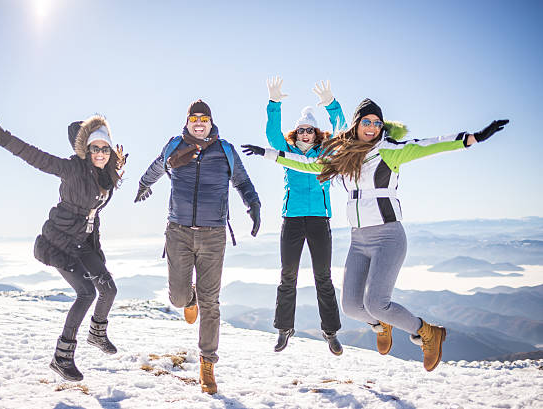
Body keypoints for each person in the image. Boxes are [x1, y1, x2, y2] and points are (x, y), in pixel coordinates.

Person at [242, 99, 508, 371]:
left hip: (388, 236)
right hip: (359, 241)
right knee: (351, 307)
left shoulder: (390, 151)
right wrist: (268, 154)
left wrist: (472, 138)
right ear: (357, 125)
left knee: (376, 303)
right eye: (366, 122)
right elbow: (309, 165)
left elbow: (430, 144)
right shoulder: (343, 155)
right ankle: (382, 327)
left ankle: (427, 333)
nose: (372, 127)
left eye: (377, 123)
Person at [0, 112, 128, 381]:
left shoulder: (105, 173)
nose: (100, 153)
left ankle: (96, 334)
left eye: (104, 148)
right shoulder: (72, 168)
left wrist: (117, 167)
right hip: (61, 242)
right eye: (95, 148)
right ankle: (62, 358)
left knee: (108, 288)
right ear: (86, 149)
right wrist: (4, 139)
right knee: (86, 293)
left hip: (84, 242)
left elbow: (101, 195)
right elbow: (36, 157)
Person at [134, 99, 261, 394]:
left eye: (204, 118)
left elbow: (242, 182)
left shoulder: (225, 150)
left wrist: (253, 204)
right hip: (178, 232)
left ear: (211, 122)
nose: (199, 122)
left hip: (214, 234)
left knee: (211, 302)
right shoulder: (174, 146)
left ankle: (207, 364)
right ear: (188, 121)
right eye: (195, 118)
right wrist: (144, 184)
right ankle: (187, 299)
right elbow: (156, 167)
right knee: (178, 298)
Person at [265, 77, 346, 355]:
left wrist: (331, 105)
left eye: (309, 130)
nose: (305, 134)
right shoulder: (286, 152)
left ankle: (331, 331)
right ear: (296, 133)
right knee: (288, 275)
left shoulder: (326, 153)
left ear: (315, 133)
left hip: (319, 221)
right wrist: (274, 103)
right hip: (293, 220)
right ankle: (284, 328)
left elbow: (341, 131)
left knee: (323, 276)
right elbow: (272, 135)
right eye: (301, 130)